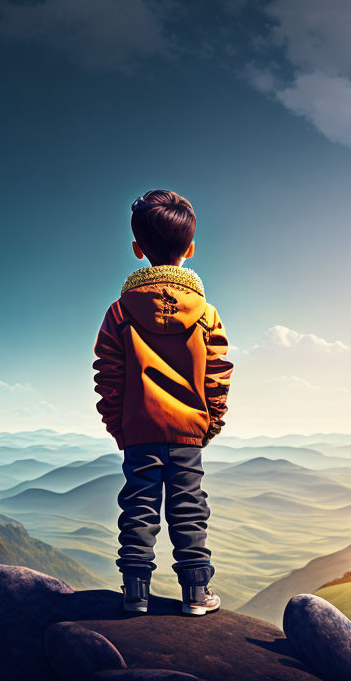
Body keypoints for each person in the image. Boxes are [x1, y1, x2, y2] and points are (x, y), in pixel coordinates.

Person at [93, 190, 233, 617]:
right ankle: (196, 594)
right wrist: (211, 422)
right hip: (189, 430)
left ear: (138, 251)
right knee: (189, 507)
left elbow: (108, 374)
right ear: (190, 249)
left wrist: (119, 425)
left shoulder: (120, 312)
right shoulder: (207, 314)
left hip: (139, 429)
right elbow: (217, 373)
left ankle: (135, 594)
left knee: (138, 505)